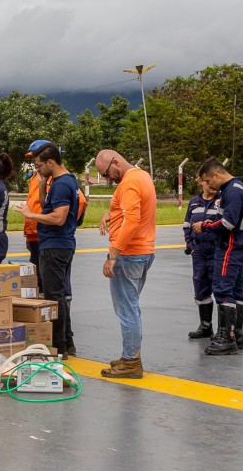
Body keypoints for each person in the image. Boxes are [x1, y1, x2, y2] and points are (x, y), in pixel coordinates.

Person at [95, 150, 156, 378]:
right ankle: (130, 355)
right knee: (132, 307)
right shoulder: (143, 176)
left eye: (107, 174)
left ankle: (131, 362)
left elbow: (131, 221)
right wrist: (111, 214)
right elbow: (133, 211)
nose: (108, 179)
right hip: (144, 252)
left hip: (129, 255)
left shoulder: (129, 183)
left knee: (126, 309)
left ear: (115, 162)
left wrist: (113, 255)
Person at [15, 143, 79, 359]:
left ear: (51, 162)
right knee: (57, 294)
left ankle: (59, 346)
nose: (37, 170)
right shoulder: (59, 181)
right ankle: (66, 342)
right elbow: (48, 207)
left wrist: (30, 215)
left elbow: (58, 218)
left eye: (39, 165)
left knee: (54, 297)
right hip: (56, 244)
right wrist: (42, 185)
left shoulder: (61, 184)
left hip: (56, 246)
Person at [192, 158, 243, 355]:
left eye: (207, 180)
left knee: (222, 288)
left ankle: (226, 337)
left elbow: (228, 223)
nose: (208, 185)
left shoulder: (232, 191)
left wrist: (204, 226)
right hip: (236, 244)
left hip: (230, 245)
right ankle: (236, 334)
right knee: (236, 289)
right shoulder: (235, 188)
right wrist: (211, 220)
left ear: (217, 175)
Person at [182, 176, 220, 339]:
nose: (211, 185)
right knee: (200, 287)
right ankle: (205, 326)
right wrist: (190, 246)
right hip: (198, 253)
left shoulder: (222, 201)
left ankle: (225, 329)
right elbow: (187, 226)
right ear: (201, 182)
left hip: (216, 251)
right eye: (207, 181)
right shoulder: (194, 202)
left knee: (220, 288)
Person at [23, 139, 52, 288]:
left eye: (35, 156)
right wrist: (29, 235)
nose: (33, 160)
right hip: (34, 231)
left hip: (44, 230)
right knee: (36, 274)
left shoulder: (52, 177)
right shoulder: (36, 176)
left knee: (44, 275)